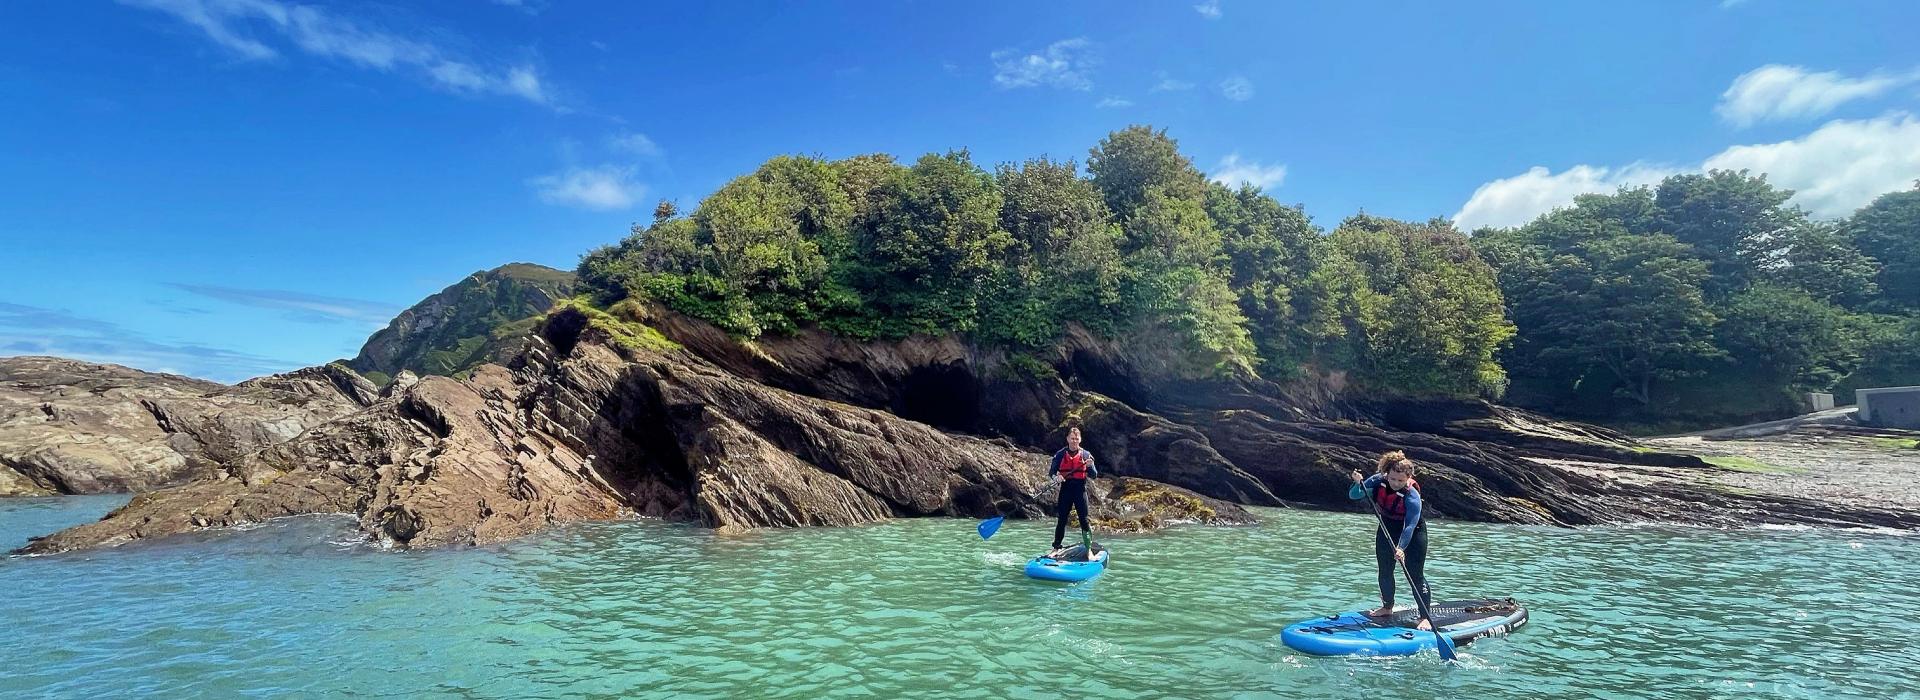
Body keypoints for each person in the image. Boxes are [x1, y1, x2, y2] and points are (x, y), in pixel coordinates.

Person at [1348, 450, 1433, 631]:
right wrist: (1358, 483)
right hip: (1387, 527)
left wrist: (1401, 548)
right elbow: (1354, 495)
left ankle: (1425, 616)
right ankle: (1387, 607)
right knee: (1385, 569)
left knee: (1415, 574)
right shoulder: (1378, 480)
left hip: (1413, 532)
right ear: (1387, 474)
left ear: (1408, 477)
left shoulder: (1412, 495)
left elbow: (1410, 525)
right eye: (1393, 479)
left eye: (1400, 481)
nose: (1395, 483)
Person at [1047, 426, 1098, 557]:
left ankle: (1088, 549)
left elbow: (1094, 475)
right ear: (1067, 439)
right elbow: (1052, 472)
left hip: (1080, 491)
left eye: (1077, 439)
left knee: (1084, 520)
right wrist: (1056, 477)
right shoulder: (1060, 454)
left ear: (1080, 440)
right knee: (1062, 519)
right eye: (1072, 438)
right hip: (1066, 490)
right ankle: (1056, 548)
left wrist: (1089, 466)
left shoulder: (1086, 455)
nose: (1074, 441)